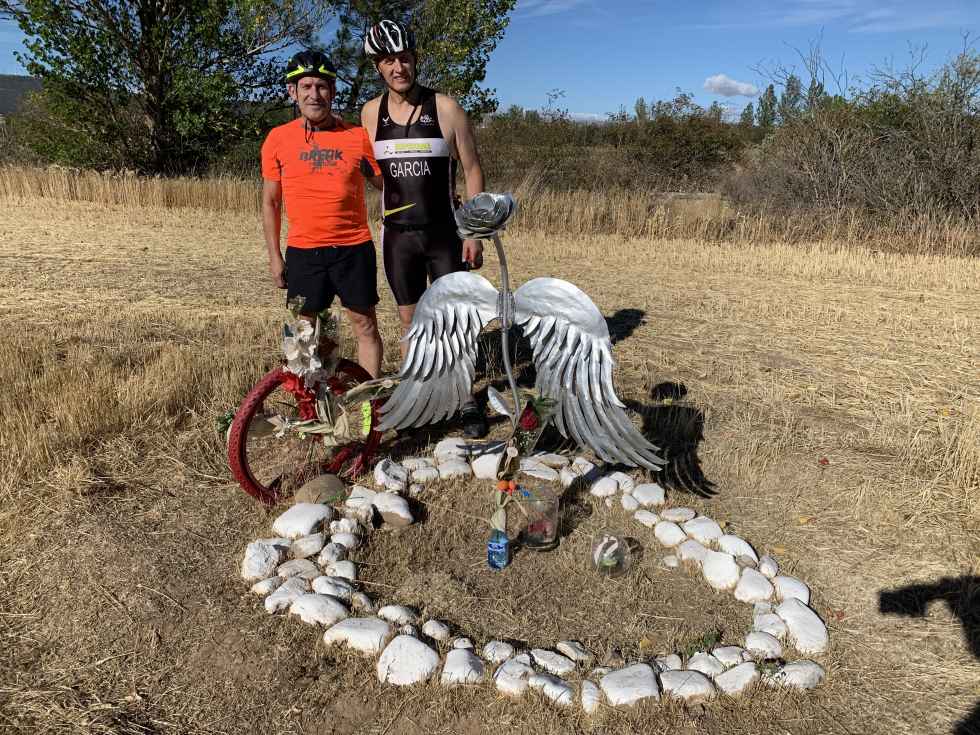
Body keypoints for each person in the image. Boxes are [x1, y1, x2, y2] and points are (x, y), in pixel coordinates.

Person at [360, 19, 489, 437]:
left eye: (405, 58)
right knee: (412, 326)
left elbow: (472, 171)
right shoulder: (369, 113)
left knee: (454, 323)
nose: (399, 67)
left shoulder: (446, 108)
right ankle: (421, 398)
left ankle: (466, 400)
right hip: (399, 237)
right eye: (389, 61)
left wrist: (473, 232)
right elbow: (380, 177)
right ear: (378, 67)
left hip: (444, 235)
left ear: (415, 60)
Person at [261, 50, 384, 378]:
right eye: (306, 87)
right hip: (303, 251)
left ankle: (366, 405)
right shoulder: (277, 139)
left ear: (332, 91)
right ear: (293, 92)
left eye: (323, 87)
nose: (315, 94)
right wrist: (275, 256)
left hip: (353, 247)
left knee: (365, 326)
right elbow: (271, 203)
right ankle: (309, 406)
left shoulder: (356, 136)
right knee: (302, 332)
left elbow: (384, 184)